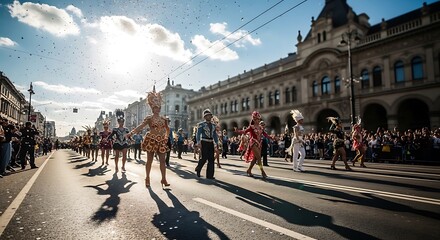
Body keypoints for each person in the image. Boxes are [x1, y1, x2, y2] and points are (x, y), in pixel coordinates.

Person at [127, 87, 170, 188]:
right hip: (151, 140)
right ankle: (147, 178)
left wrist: (166, 137)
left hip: (161, 141)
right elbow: (141, 126)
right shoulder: (149, 118)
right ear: (152, 108)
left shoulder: (164, 119)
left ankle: (163, 179)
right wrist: (132, 132)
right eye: (155, 108)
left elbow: (168, 129)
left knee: (163, 161)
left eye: (159, 108)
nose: (157, 109)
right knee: (149, 160)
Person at [234, 111, 271, 179]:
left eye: (259, 119)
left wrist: (270, 137)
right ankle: (262, 171)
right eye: (257, 119)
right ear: (254, 119)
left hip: (259, 143)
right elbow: (244, 131)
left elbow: (265, 134)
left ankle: (249, 170)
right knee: (259, 158)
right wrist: (237, 131)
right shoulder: (251, 127)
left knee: (255, 158)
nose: (258, 120)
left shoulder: (260, 127)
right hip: (253, 143)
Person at [195, 109, 219, 179]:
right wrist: (198, 142)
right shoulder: (201, 125)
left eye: (210, 115)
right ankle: (198, 169)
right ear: (205, 117)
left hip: (211, 142)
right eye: (208, 116)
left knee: (211, 159)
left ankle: (210, 175)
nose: (210, 117)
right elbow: (198, 134)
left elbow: (214, 135)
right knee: (204, 158)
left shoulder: (214, 125)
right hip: (204, 142)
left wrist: (216, 143)